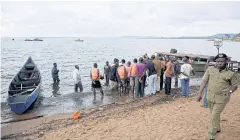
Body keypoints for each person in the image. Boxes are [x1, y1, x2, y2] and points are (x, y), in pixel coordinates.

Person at [197, 53, 238, 140]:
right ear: (215, 61)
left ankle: (211, 135)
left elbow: (235, 85)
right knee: (213, 114)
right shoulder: (210, 69)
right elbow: (204, 81)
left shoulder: (231, 73)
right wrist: (200, 93)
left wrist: (230, 91)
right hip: (210, 96)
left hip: (222, 98)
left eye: (222, 61)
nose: (219, 63)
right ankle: (218, 128)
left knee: (214, 115)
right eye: (218, 61)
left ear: (226, 61)